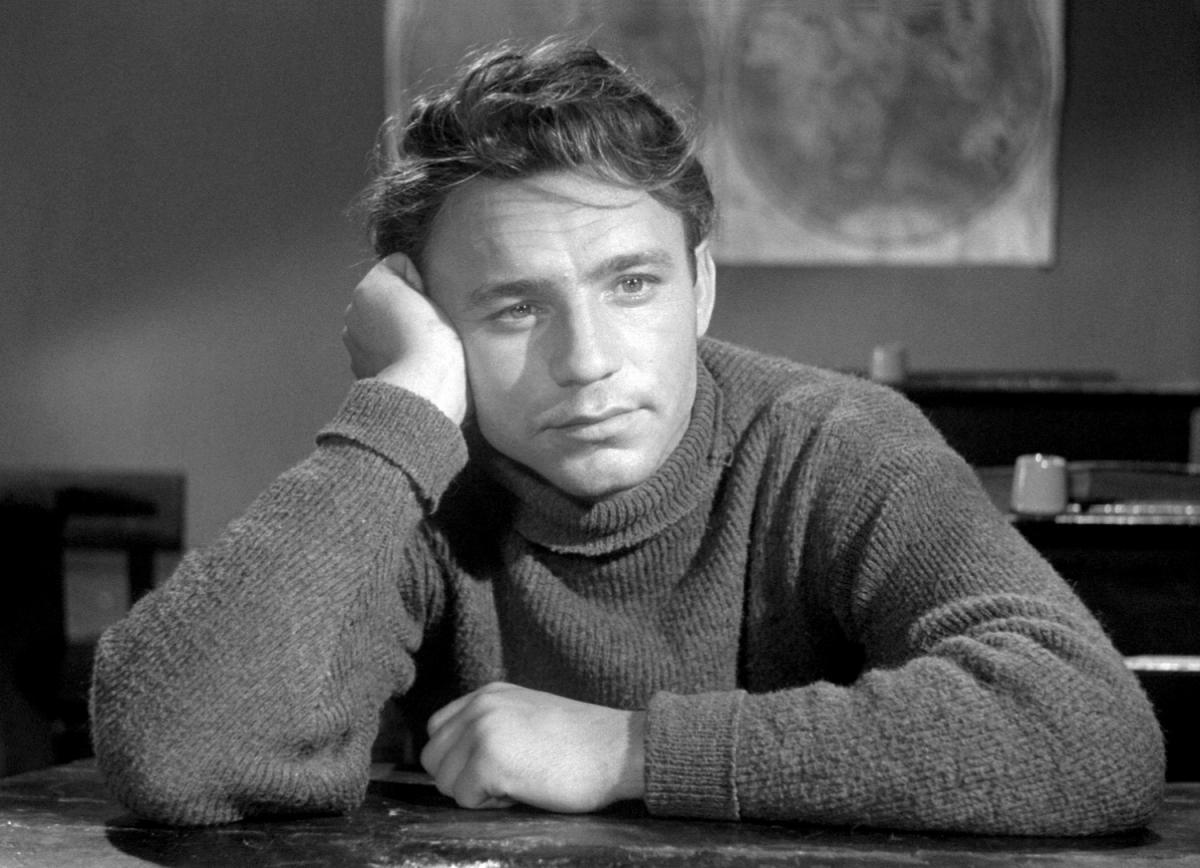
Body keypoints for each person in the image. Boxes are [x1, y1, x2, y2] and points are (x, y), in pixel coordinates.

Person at [90, 38, 1163, 833]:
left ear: (701, 289)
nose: (589, 360)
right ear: (426, 316)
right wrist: (403, 405)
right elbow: (172, 748)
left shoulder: (834, 441)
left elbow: (1088, 732)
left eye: (633, 284)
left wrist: (633, 750)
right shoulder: (417, 474)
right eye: (516, 307)